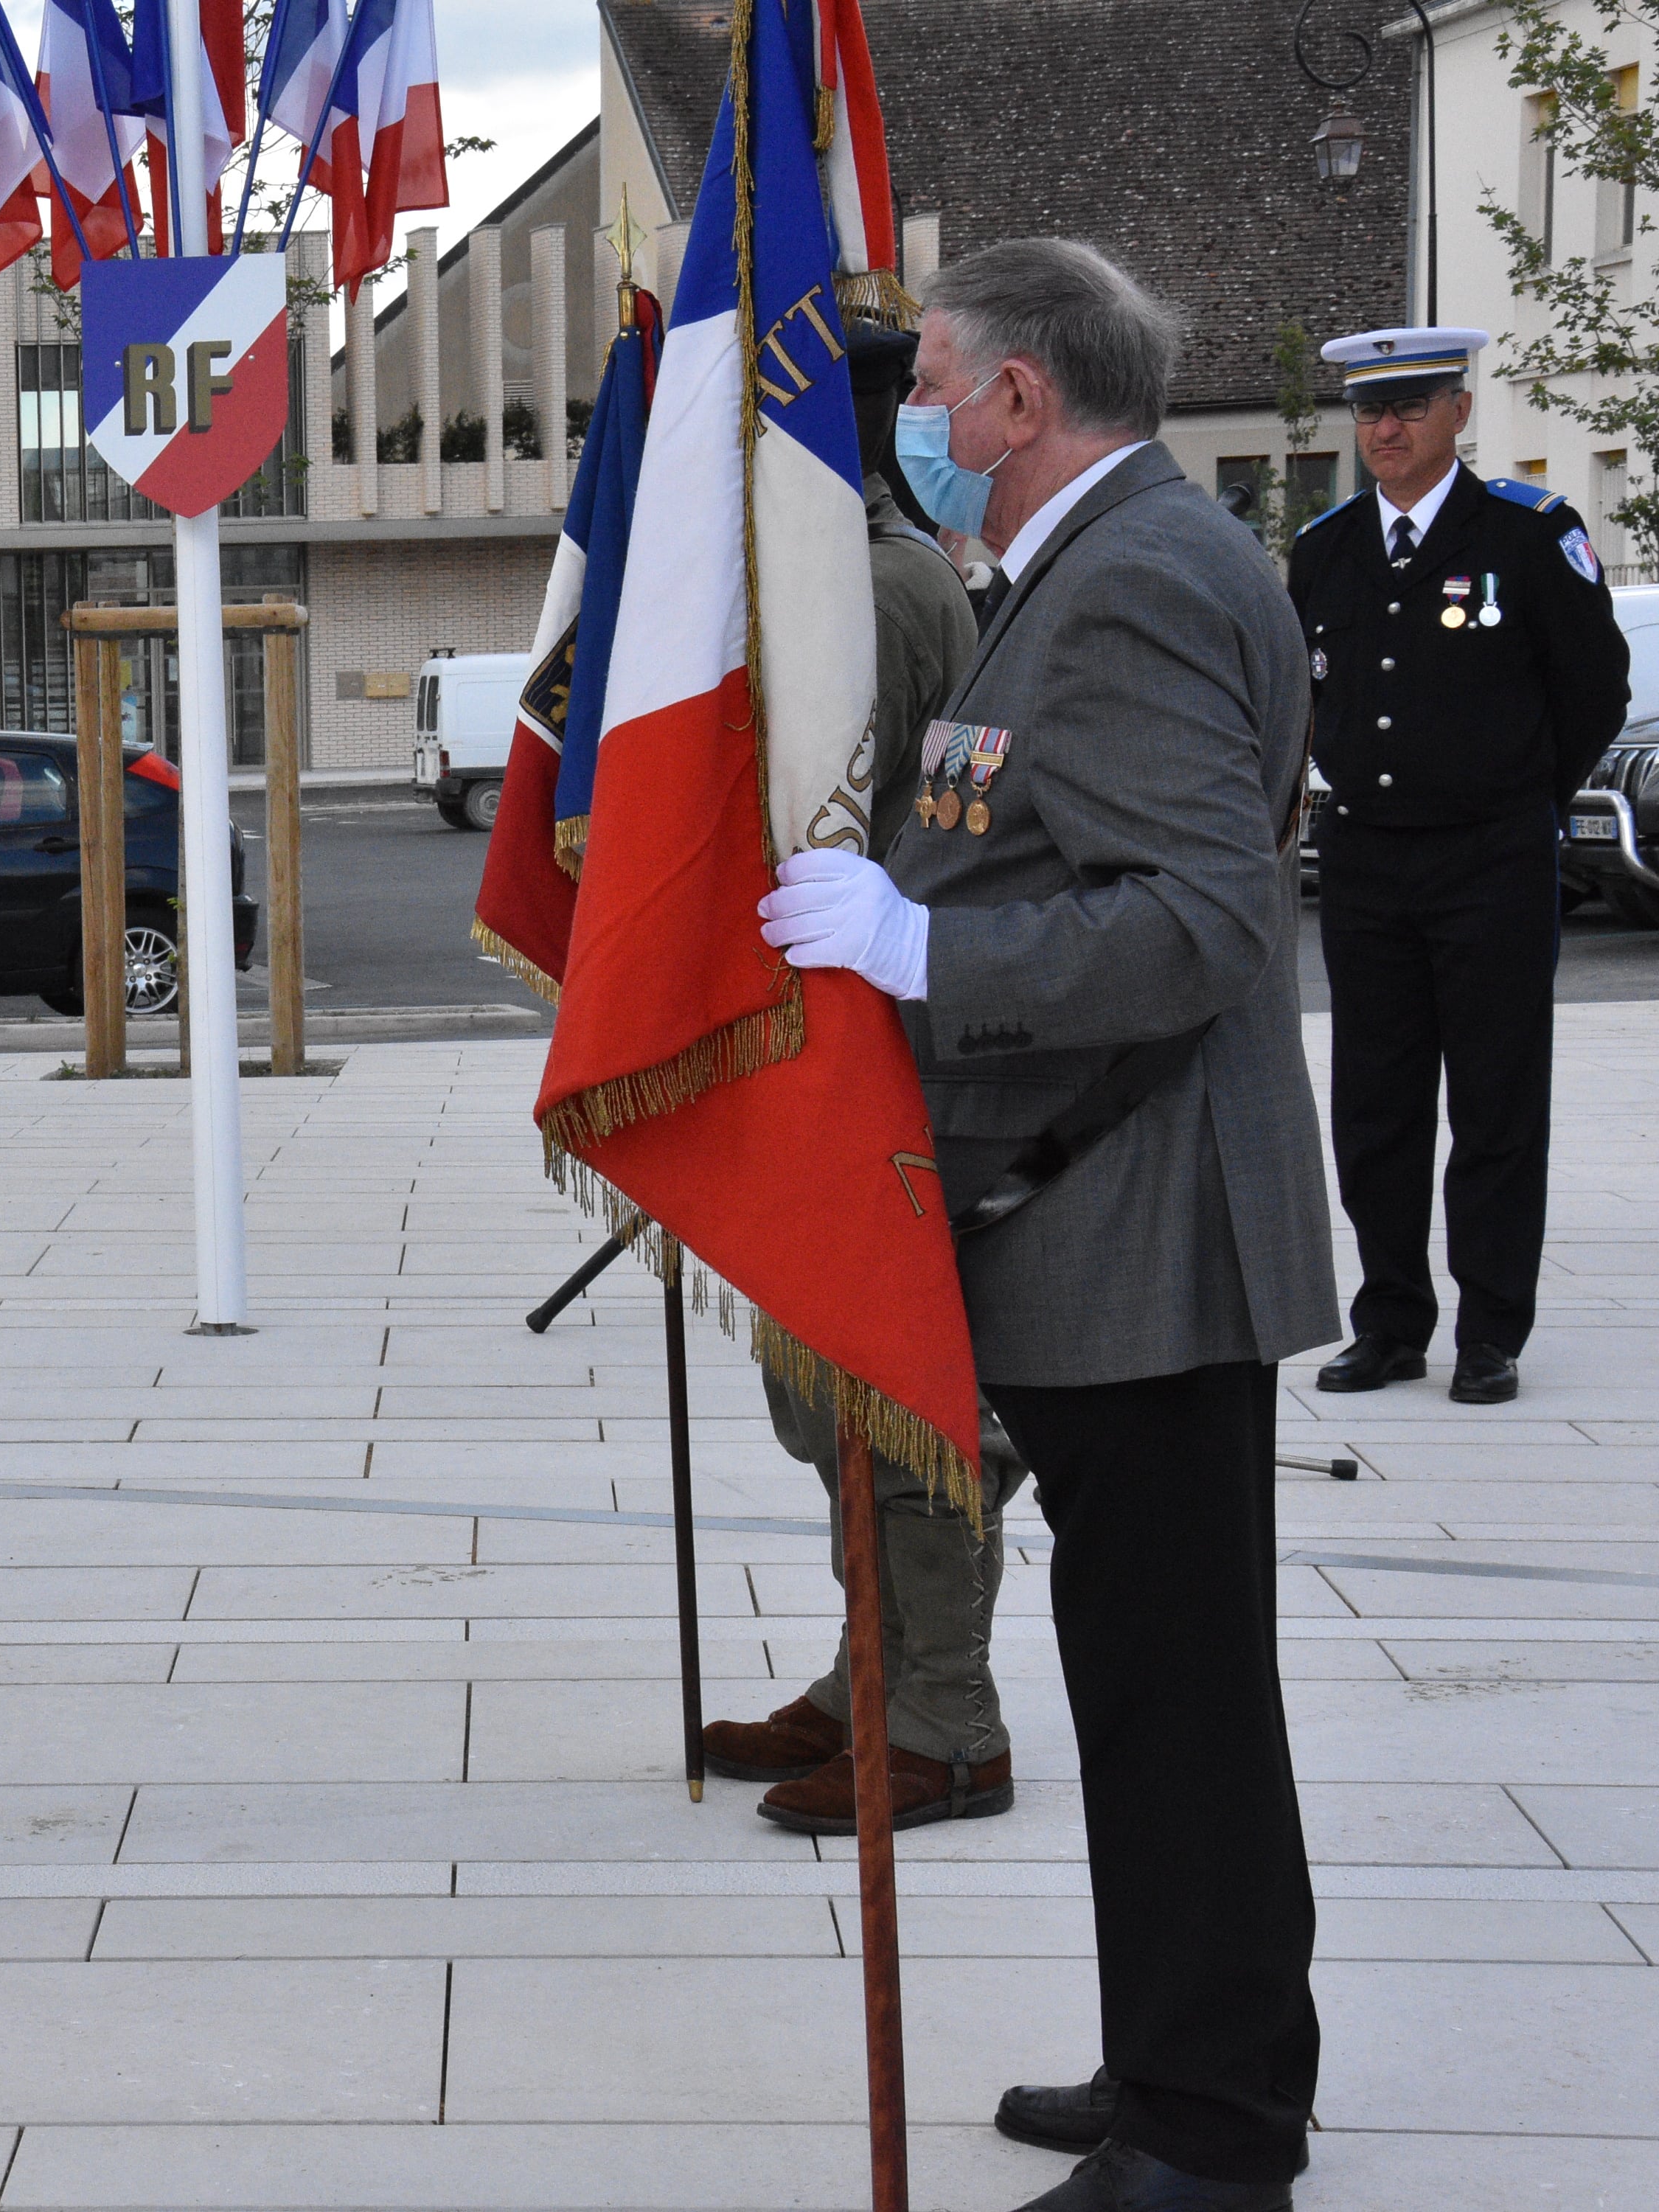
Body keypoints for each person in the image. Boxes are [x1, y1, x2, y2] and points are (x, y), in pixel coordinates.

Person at [757, 238, 1339, 2212]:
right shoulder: (1103, 561)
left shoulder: (1144, 578)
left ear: (1019, 402)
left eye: (929, 380)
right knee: (1168, 1673)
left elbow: (1202, 918)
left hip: (1147, 1224)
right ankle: (1208, 2051)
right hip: (1115, 1213)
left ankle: (1211, 2134)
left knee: (1174, 1688)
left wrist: (921, 946)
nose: (910, 414)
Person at [712, 321, 1025, 1838]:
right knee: (820, 1396)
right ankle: (870, 1674)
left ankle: (942, 1722)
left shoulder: (881, 589)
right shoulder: (828, 578)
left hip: (878, 1054)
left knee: (895, 1396)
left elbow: (844, 827)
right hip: (816, 1046)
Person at [1291, 327, 1630, 1406]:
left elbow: (1593, 690)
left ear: (1459, 414)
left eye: (1409, 407)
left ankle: (1490, 1330)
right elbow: (1311, 694)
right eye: (1368, 410)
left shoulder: (1530, 535)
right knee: (1377, 1102)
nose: (1382, 430)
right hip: (1367, 859)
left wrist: (1519, 793)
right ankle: (1390, 1319)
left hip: (1490, 857)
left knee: (1494, 1099)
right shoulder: (1330, 546)